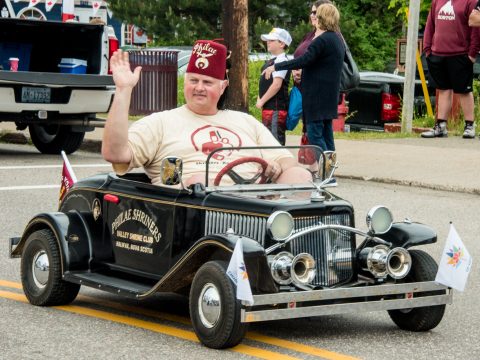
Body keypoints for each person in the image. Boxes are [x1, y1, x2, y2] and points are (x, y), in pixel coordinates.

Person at [102, 40, 312, 187]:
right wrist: (123, 90)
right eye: (193, 80)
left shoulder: (246, 121)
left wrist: (276, 167)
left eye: (207, 82)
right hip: (192, 218)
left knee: (300, 175)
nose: (199, 88)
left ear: (223, 86)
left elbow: (287, 161)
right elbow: (115, 153)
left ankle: (305, 247)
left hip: (255, 206)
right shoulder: (160, 122)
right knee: (198, 183)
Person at [263, 3, 344, 152]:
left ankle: (325, 170)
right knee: (327, 136)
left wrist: (276, 66)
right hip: (329, 97)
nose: (314, 17)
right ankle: (329, 172)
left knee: (315, 136)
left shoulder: (321, 40)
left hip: (316, 97)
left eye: (316, 14)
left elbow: (304, 60)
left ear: (322, 18)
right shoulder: (337, 39)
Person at [421, 0, 480, 139]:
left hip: (460, 54)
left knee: (464, 90)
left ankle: (469, 126)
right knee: (443, 90)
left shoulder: (470, 2)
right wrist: (427, 49)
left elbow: (476, 28)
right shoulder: (437, 1)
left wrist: (472, 53)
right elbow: (430, 25)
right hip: (438, 53)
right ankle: (440, 126)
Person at [256, 28, 292, 145]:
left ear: (282, 43)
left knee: (274, 142)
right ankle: (270, 163)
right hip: (268, 108)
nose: (268, 42)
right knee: (267, 140)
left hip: (275, 109)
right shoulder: (272, 60)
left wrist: (261, 101)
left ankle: (278, 163)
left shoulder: (282, 60)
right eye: (268, 40)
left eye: (272, 40)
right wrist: (259, 97)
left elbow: (276, 85)